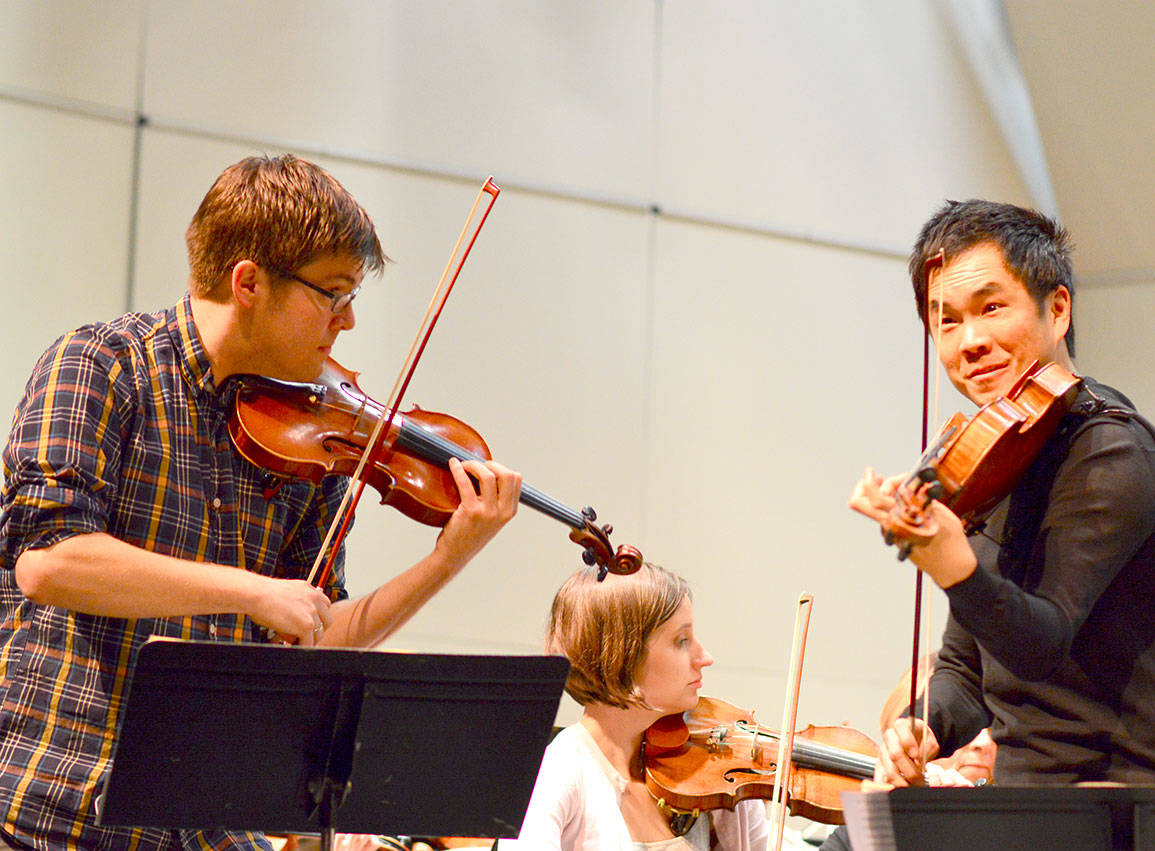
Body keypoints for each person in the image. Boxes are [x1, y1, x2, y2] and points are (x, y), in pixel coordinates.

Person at [0, 154, 522, 850]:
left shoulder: (310, 436)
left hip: (207, 827)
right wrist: (249, 591)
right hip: (58, 812)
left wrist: (445, 561)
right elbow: (50, 561)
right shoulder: (101, 365)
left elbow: (316, 634)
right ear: (248, 281)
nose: (348, 320)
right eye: (333, 293)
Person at [847, 199, 1155, 786]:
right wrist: (925, 727)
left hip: (1126, 803)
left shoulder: (1110, 454)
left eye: (991, 307)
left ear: (1057, 309)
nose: (970, 340)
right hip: (1035, 798)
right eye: (947, 321)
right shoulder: (997, 456)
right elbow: (968, 670)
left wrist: (953, 566)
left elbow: (1040, 644)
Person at [517, 563, 767, 851]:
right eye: (682, 641)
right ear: (623, 654)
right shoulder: (560, 771)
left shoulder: (709, 768)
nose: (705, 657)